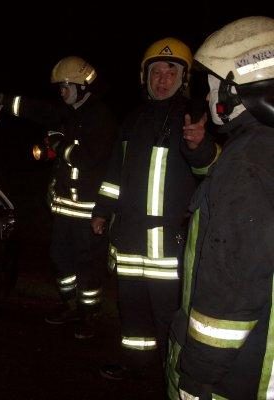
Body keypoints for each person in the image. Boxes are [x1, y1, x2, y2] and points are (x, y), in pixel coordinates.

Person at [90, 38, 220, 380]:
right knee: (131, 309)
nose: (162, 79)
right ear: (144, 77)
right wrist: (102, 210)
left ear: (184, 78)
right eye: (156, 72)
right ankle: (137, 366)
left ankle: (172, 372)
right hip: (130, 239)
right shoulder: (132, 120)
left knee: (168, 313)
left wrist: (200, 145)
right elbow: (114, 174)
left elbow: (209, 166)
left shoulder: (193, 115)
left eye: (171, 72)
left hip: (168, 245)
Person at [166, 16, 274, 400]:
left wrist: (198, 374)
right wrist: (201, 153)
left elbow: (233, 286)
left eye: (214, 87)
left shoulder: (247, 162)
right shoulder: (260, 149)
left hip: (236, 375)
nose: (209, 98)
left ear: (236, 89)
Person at [0, 56, 117, 336]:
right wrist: (3, 101)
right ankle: (70, 305)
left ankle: (89, 315)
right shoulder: (71, 114)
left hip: (88, 212)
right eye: (60, 87)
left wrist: (59, 144)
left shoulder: (100, 118)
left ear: (82, 87)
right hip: (63, 209)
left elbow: (87, 159)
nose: (61, 92)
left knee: (88, 266)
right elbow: (37, 111)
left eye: (66, 86)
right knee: (60, 258)